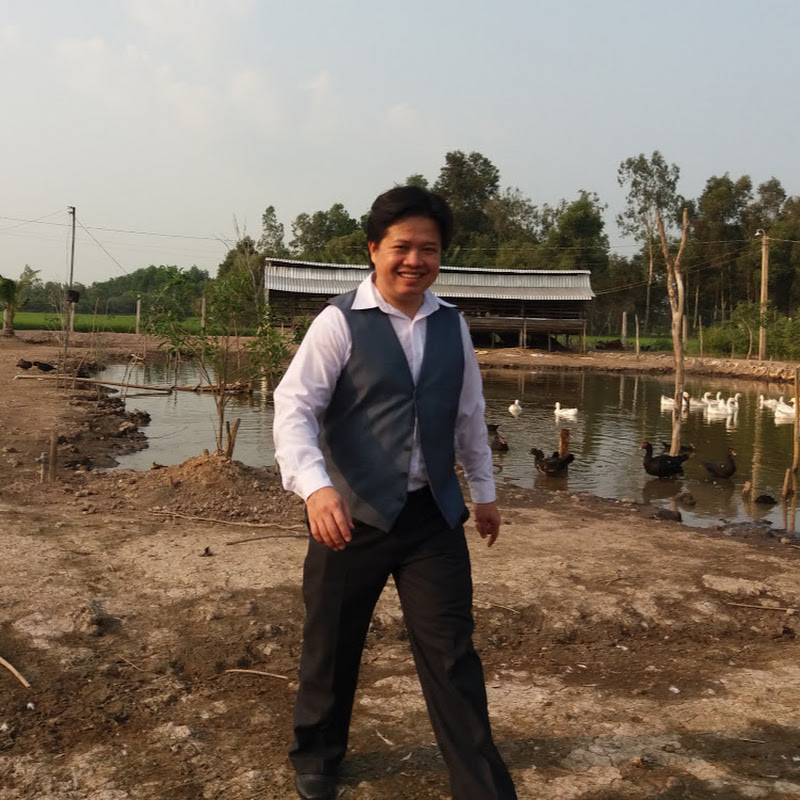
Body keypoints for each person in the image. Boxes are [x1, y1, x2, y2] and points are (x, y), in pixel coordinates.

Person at [272, 185, 517, 800]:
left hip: (432, 515)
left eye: (428, 249)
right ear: (374, 250)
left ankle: (480, 785)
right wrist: (315, 488)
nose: (415, 260)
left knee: (452, 653)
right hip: (349, 516)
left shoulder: (452, 325)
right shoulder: (339, 322)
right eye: (401, 247)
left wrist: (484, 493)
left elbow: (468, 417)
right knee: (332, 642)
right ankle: (317, 755)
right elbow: (293, 408)